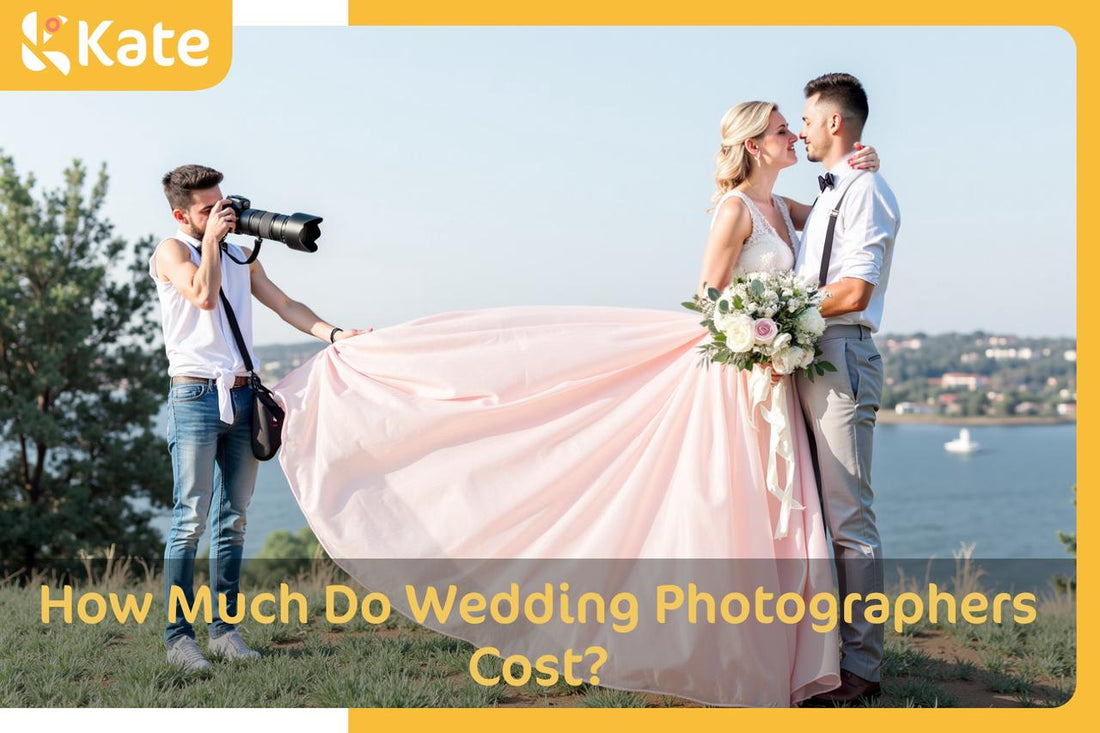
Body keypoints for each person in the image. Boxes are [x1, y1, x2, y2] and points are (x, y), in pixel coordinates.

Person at [273, 102, 881, 706]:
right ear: (755, 145)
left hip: (772, 375)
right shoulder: (734, 210)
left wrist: (862, 168)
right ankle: (728, 654)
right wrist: (761, 327)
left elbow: (833, 208)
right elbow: (710, 302)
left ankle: (785, 654)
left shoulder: (784, 208)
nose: (793, 137)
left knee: (774, 515)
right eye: (782, 130)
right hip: (738, 377)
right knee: (731, 508)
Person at [149, 164, 370, 671]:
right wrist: (211, 245)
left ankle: (225, 630)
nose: (221, 213)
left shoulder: (235, 253)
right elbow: (202, 297)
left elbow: (285, 304)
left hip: (244, 398)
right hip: (196, 399)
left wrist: (336, 335)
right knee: (189, 521)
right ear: (182, 214)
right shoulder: (173, 250)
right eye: (207, 209)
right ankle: (179, 641)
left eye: (221, 202)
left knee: (235, 521)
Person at [792, 73, 900, 706]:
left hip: (841, 357)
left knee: (849, 521)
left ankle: (862, 672)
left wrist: (778, 312)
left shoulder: (868, 191)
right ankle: (819, 652)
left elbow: (854, 291)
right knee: (808, 513)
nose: (801, 128)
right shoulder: (832, 191)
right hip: (807, 355)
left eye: (807, 118)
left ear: (836, 123)